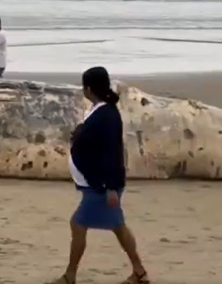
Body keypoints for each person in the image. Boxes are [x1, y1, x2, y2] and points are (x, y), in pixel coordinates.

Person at [51, 66, 149, 284]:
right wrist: (79, 134)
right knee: (118, 228)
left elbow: (111, 153)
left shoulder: (106, 115)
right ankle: (139, 272)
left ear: (88, 88)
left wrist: (111, 188)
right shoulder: (102, 110)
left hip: (102, 186)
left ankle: (70, 275)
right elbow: (92, 140)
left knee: (78, 224)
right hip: (98, 184)